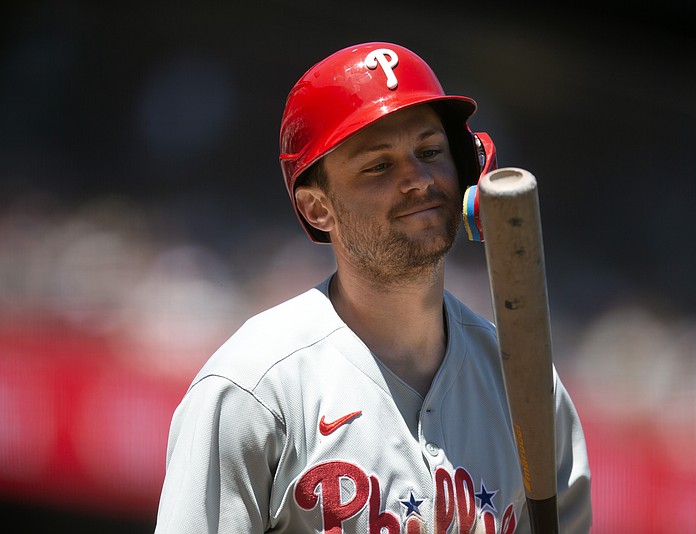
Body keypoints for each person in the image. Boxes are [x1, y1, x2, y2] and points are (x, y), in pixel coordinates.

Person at [155, 42, 591, 533]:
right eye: (378, 166)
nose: (417, 179)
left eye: (429, 151)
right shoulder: (255, 388)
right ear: (318, 208)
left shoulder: (525, 384)